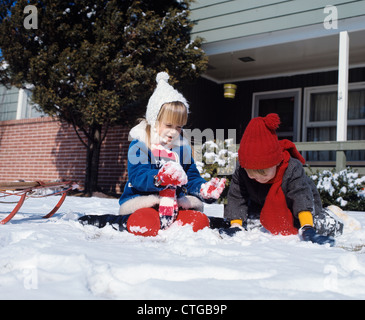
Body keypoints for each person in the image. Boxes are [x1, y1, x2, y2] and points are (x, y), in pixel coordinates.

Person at [79, 72, 225, 236]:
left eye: (178, 127)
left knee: (200, 222)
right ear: (154, 121)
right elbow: (138, 176)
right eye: (168, 124)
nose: (173, 132)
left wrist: (202, 189)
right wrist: (160, 178)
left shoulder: (182, 148)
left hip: (174, 205)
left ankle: (172, 222)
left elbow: (190, 177)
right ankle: (121, 221)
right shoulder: (140, 144)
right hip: (144, 203)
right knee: (145, 223)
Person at [223, 113, 345, 246]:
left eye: (263, 174)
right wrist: (235, 225)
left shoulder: (291, 169)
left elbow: (301, 197)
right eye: (252, 175)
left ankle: (331, 215)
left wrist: (307, 227)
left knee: (314, 224)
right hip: (262, 203)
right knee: (253, 224)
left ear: (276, 163)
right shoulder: (241, 171)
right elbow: (236, 196)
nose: (257, 179)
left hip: (299, 206)